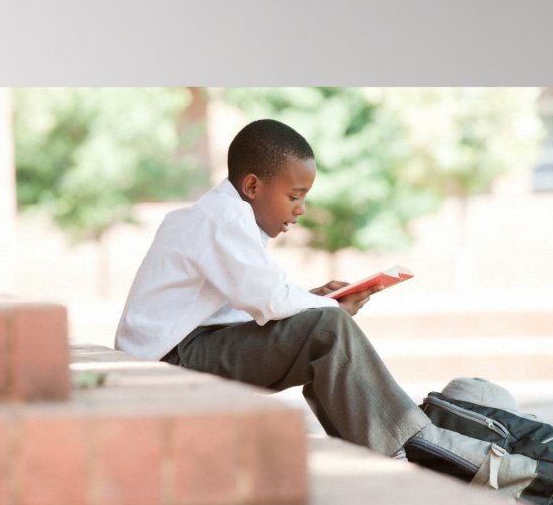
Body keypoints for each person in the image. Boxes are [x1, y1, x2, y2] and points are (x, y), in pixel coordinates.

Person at [115, 119, 431, 458]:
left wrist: (315, 300)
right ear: (252, 186)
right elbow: (271, 302)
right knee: (328, 329)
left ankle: (386, 446)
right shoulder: (222, 217)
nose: (301, 209)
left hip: (182, 349)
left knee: (321, 327)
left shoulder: (218, 215)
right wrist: (328, 308)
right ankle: (410, 444)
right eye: (294, 196)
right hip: (167, 362)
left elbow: (252, 301)